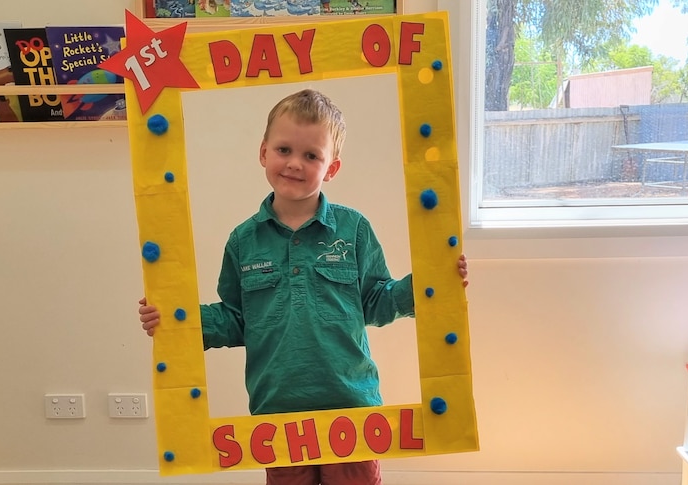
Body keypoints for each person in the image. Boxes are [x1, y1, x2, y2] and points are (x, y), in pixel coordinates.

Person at [139, 89, 468, 485]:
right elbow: (235, 318)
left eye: (312, 155)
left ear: (331, 168)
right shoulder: (243, 240)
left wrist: (434, 285)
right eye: (284, 150)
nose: (295, 163)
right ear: (263, 153)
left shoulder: (354, 229)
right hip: (277, 411)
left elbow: (378, 301)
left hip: (352, 406)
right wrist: (176, 322)